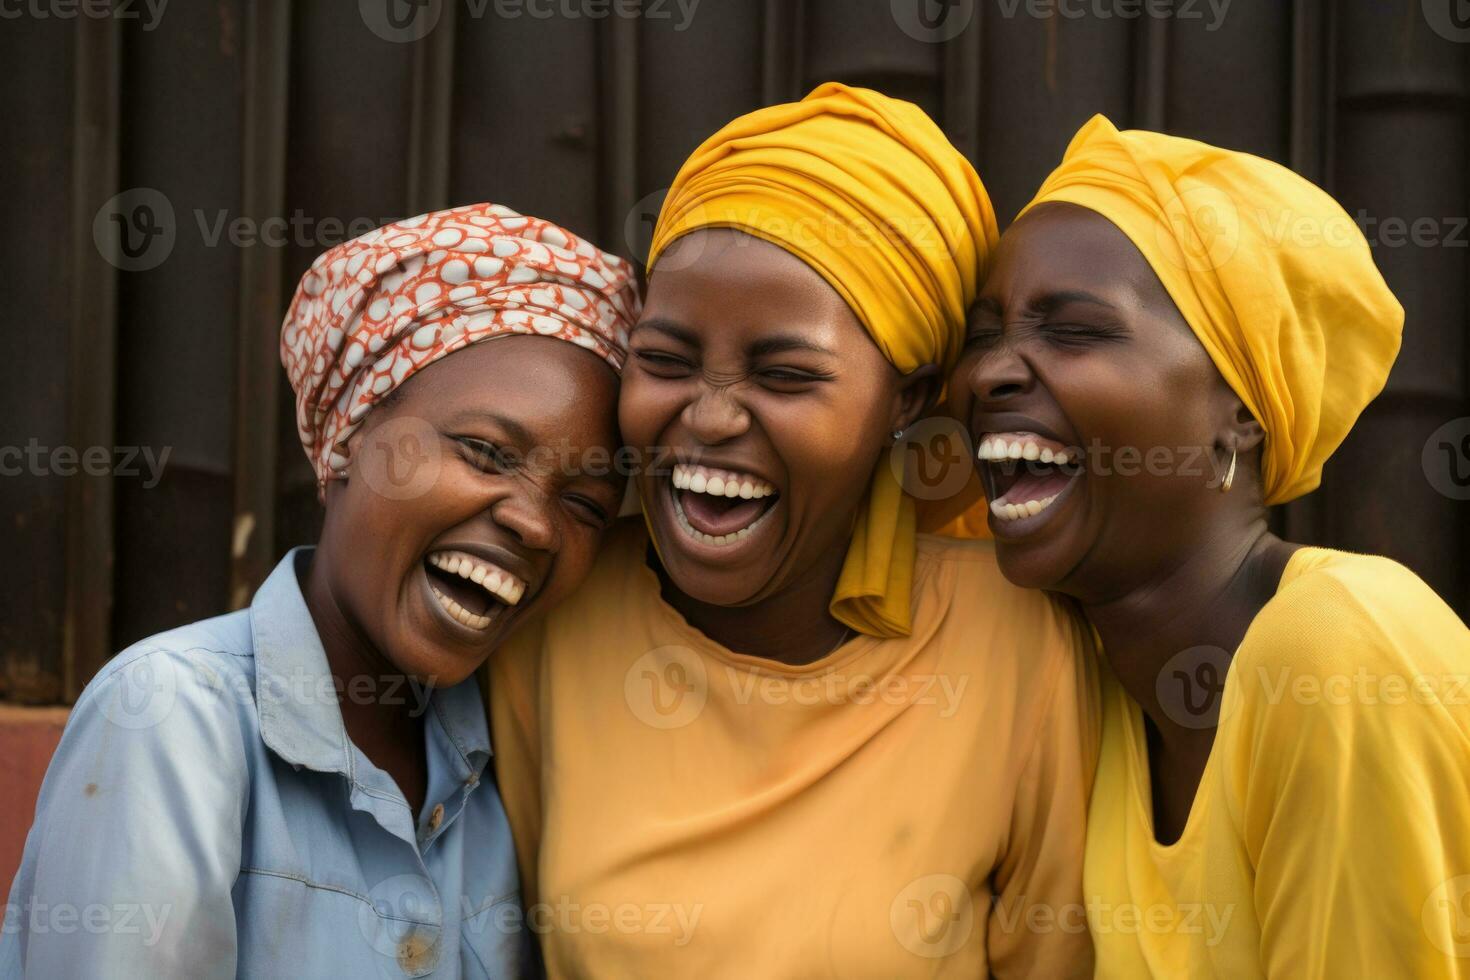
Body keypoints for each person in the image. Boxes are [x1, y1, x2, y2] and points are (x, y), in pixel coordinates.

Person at [487, 83, 1098, 977]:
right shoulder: (559, 613)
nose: (711, 417)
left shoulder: (1016, 644)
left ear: (910, 398)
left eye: (785, 376)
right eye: (663, 361)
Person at [1, 203, 640, 978]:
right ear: (349, 436)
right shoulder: (176, 718)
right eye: (485, 452)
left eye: (583, 507)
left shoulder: (504, 750)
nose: (536, 526)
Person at [948, 115, 1470, 977]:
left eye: (1074, 329)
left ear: (1242, 413)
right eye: (985, 334)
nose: (989, 373)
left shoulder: (1339, 653)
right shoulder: (1101, 689)